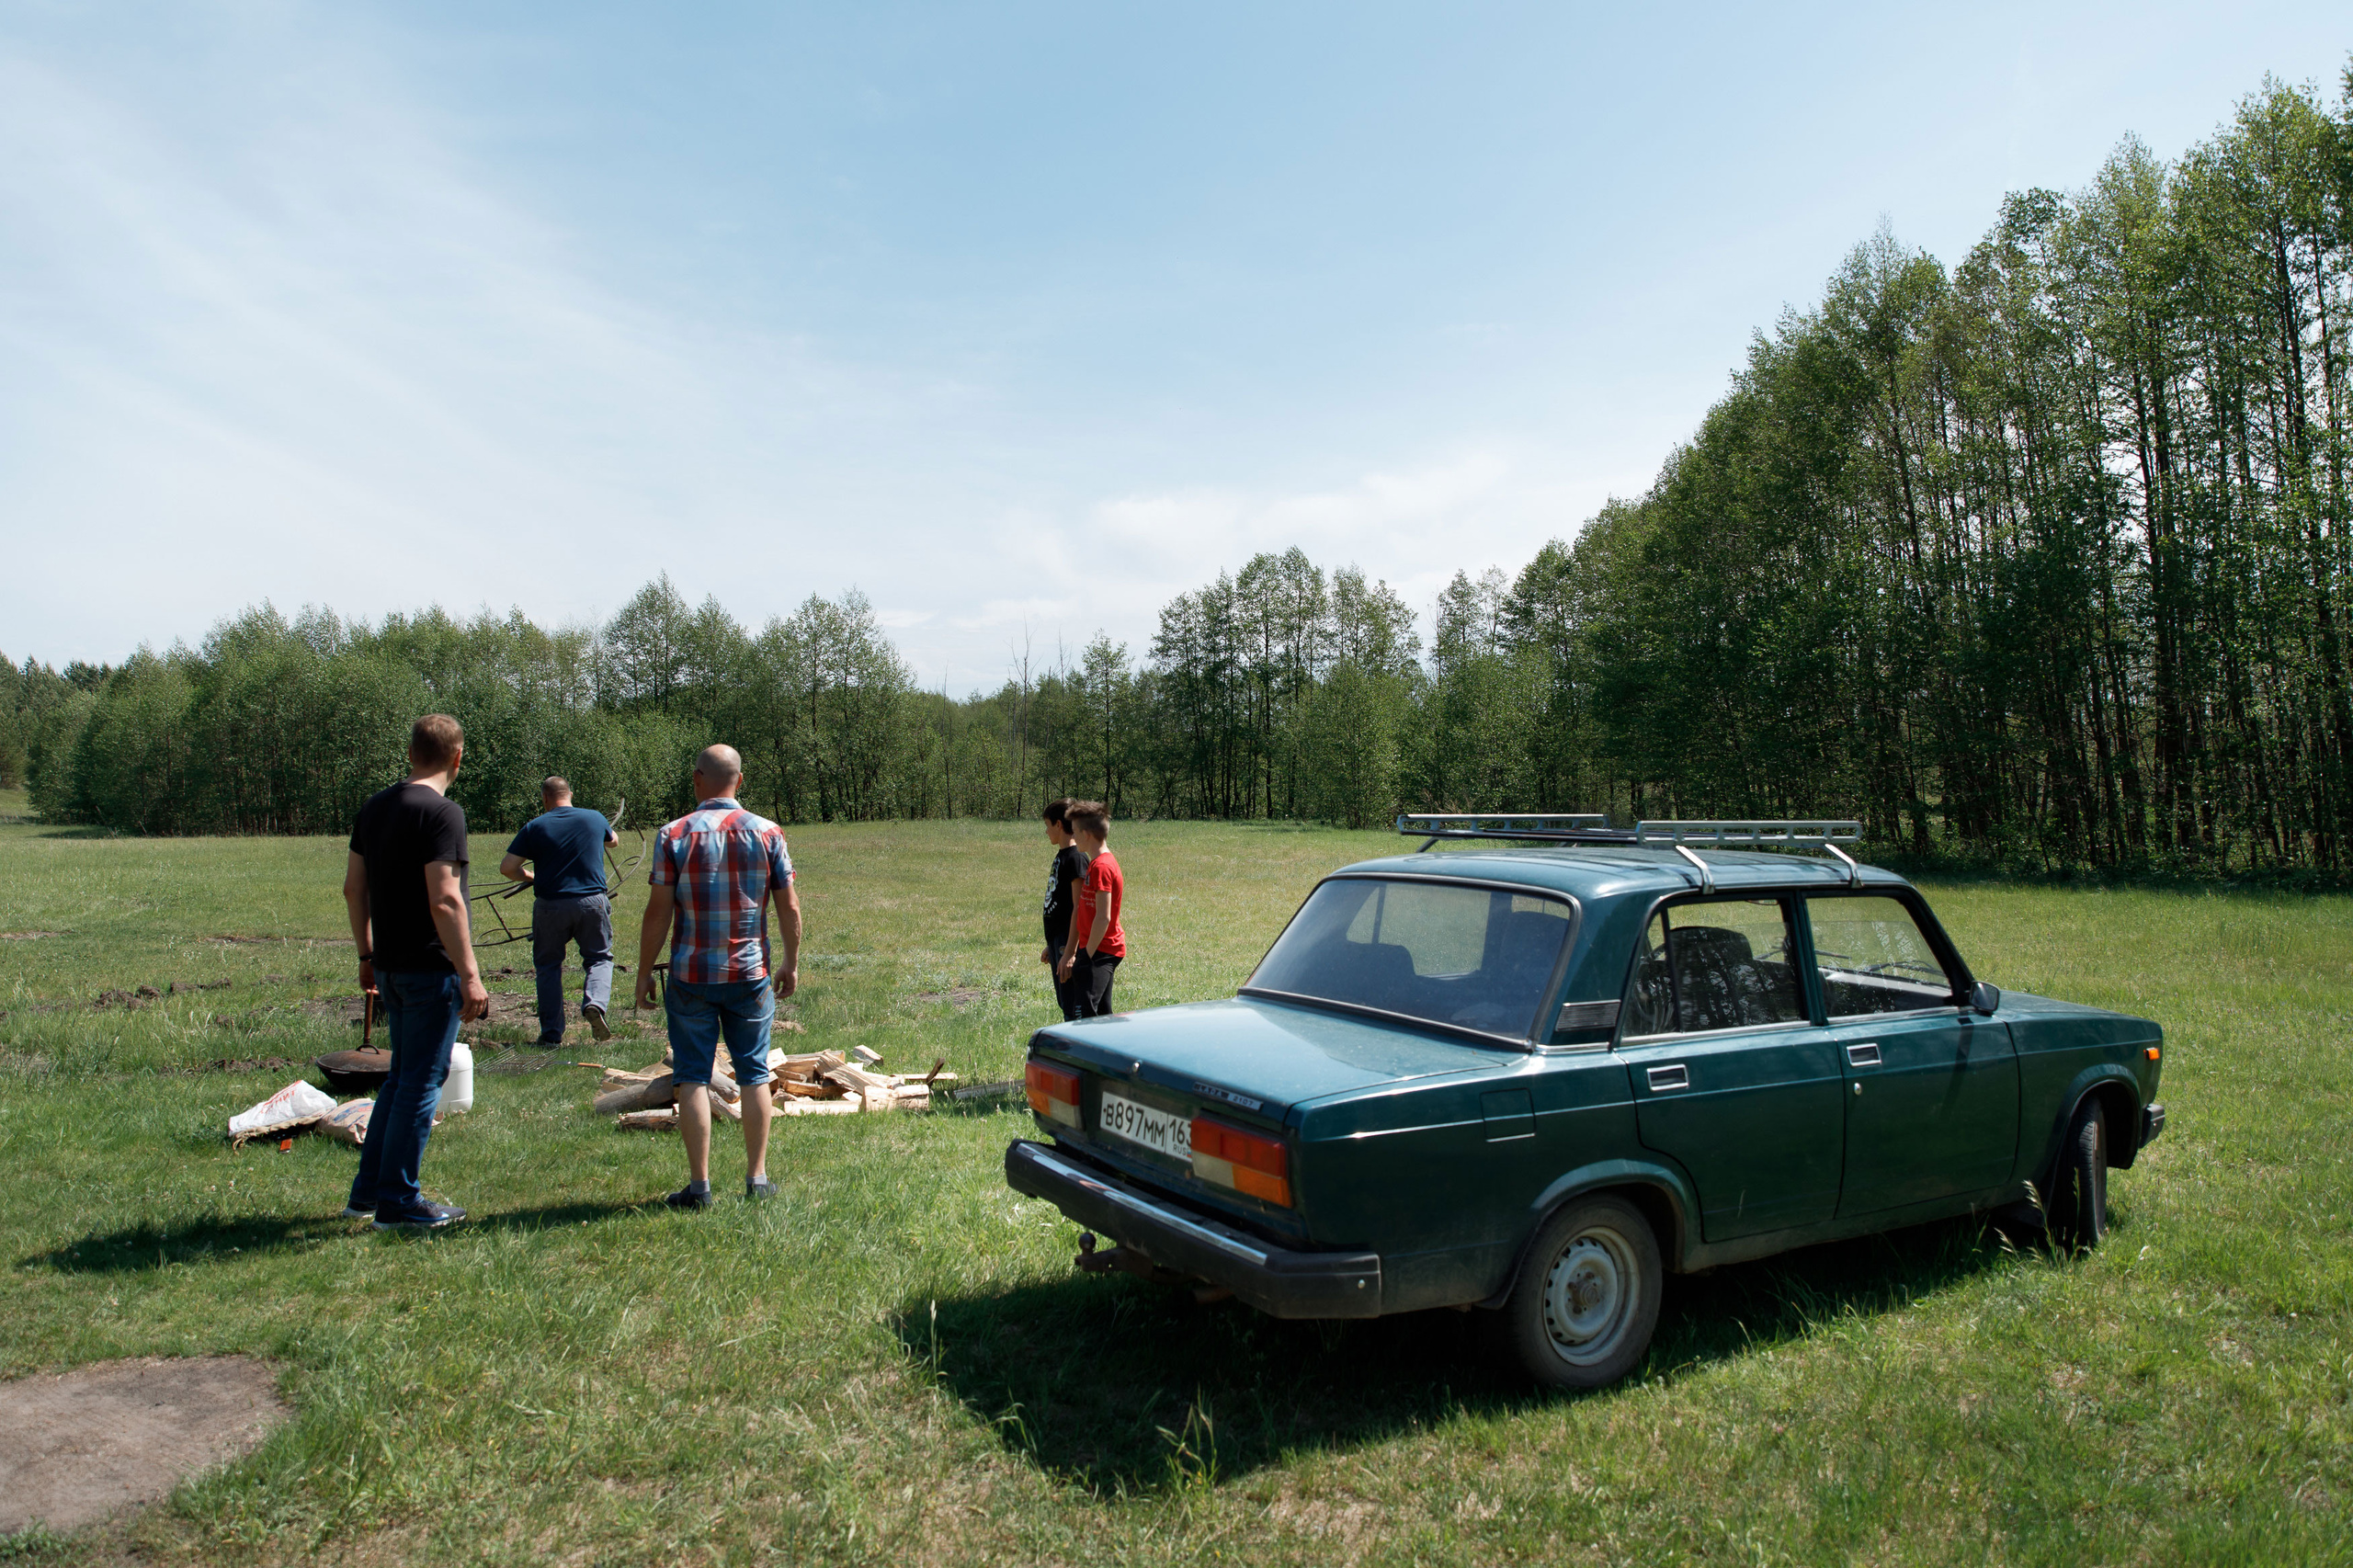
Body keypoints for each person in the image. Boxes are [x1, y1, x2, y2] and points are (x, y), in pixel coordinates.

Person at [341, 714, 492, 1231]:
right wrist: (470, 974)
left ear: (410, 753)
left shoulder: (375, 808)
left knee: (401, 1079)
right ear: (457, 757)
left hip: (389, 965)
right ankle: (399, 1202)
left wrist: (366, 955)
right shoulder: (443, 813)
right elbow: (446, 900)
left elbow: (352, 888)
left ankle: (367, 1194)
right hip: (431, 967)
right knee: (422, 1082)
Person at [633, 744, 800, 1209]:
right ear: (740, 782)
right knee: (753, 1074)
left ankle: (700, 1186)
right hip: (750, 973)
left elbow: (657, 911)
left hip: (691, 973)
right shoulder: (769, 833)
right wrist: (790, 961)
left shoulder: (673, 835)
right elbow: (788, 904)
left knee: (692, 1079)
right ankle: (757, 1178)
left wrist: (645, 972)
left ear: (697, 779)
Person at [498, 776, 620, 1047]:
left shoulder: (535, 827)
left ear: (544, 798)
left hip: (551, 905)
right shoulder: (594, 817)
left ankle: (551, 1034)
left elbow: (507, 868)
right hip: (592, 902)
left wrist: (530, 876)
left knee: (548, 967)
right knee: (599, 958)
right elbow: (613, 842)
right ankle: (595, 1005)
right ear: (571, 793)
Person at [1056, 800, 1126, 1017]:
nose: (1073, 836)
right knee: (1102, 1014)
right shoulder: (1096, 863)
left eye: (1075, 831)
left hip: (1101, 951)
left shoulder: (1103, 866)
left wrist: (1086, 956)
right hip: (1098, 949)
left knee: (1084, 1015)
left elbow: (1103, 918)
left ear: (1087, 834)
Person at [1039, 798, 1090, 1020]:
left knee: (1073, 1006)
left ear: (1059, 824)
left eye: (1048, 825)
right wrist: (1052, 945)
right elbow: (1061, 904)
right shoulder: (1062, 857)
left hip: (1068, 944)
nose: (1046, 831)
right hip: (1059, 942)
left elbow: (1079, 908)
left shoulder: (1076, 858)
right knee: (1064, 1001)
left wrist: (1069, 952)